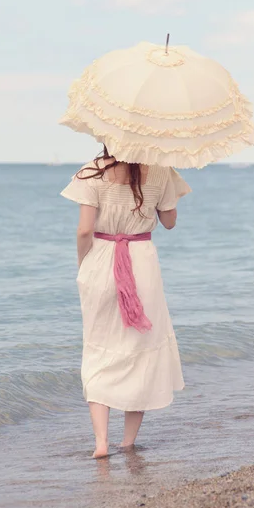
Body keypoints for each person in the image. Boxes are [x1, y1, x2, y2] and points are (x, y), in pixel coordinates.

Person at [61, 146, 191, 458]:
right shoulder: (161, 170)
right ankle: (128, 443)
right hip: (141, 259)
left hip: (101, 259)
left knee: (98, 347)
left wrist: (85, 266)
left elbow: (84, 230)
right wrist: (163, 192)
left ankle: (101, 443)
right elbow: (170, 222)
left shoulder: (91, 170)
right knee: (140, 348)